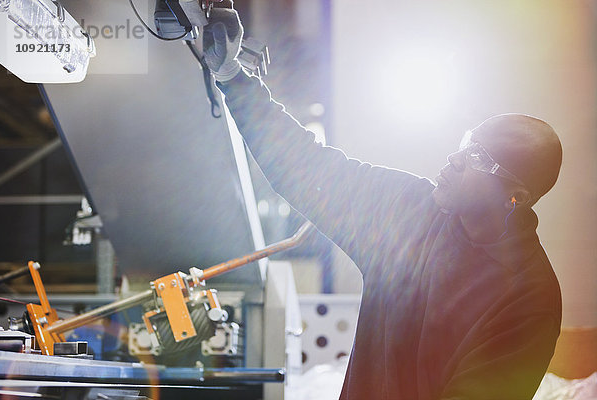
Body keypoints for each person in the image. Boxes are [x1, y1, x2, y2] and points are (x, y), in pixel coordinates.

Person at [202, 8, 563, 400]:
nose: (455, 159)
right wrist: (232, 75)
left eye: (478, 157)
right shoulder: (408, 212)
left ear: (517, 197)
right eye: (464, 144)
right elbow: (306, 166)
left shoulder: (530, 298)